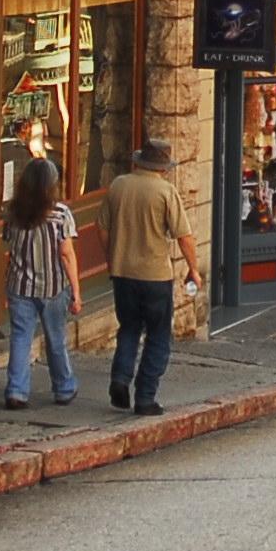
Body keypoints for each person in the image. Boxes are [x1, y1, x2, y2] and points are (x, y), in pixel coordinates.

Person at [102, 139, 199, 413]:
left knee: (129, 327)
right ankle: (145, 397)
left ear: (138, 161)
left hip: (123, 272)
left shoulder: (118, 185)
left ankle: (120, 378)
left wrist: (112, 259)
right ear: (163, 168)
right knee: (158, 335)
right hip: (155, 275)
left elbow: (102, 229)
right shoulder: (165, 192)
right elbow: (184, 236)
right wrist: (193, 268)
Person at [0, 153, 79, 410]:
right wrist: (76, 291)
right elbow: (66, 254)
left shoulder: (13, 212)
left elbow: (8, 243)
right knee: (55, 337)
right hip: (53, 285)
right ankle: (64, 387)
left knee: (21, 337)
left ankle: (16, 390)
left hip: (20, 283)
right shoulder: (60, 214)